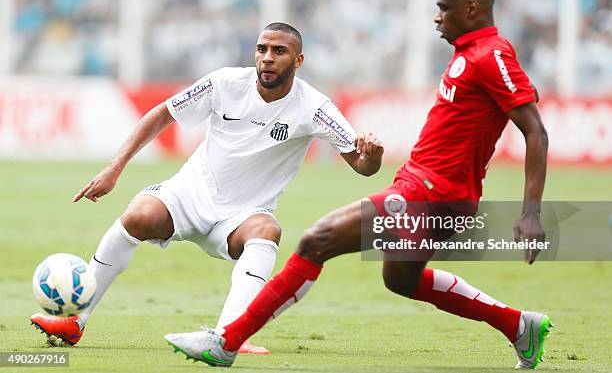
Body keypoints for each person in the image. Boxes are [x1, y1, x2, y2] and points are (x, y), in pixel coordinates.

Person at [165, 0, 552, 369]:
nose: (436, 17)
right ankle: (520, 326)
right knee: (400, 280)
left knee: (318, 240)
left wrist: (531, 213)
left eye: (443, 8)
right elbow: (520, 94)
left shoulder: (490, 54)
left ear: (471, 9)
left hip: (432, 194)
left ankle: (226, 342)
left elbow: (535, 130)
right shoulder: (473, 53)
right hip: (425, 187)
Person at [30, 22, 384, 354]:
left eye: (279, 51)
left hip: (242, 216)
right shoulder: (225, 82)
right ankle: (75, 321)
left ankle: (230, 336)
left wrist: (373, 156)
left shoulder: (314, 107)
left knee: (267, 231)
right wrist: (114, 169)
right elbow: (163, 113)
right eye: (262, 49)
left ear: (298, 59)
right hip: (189, 195)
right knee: (137, 215)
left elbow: (361, 164)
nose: (267, 58)